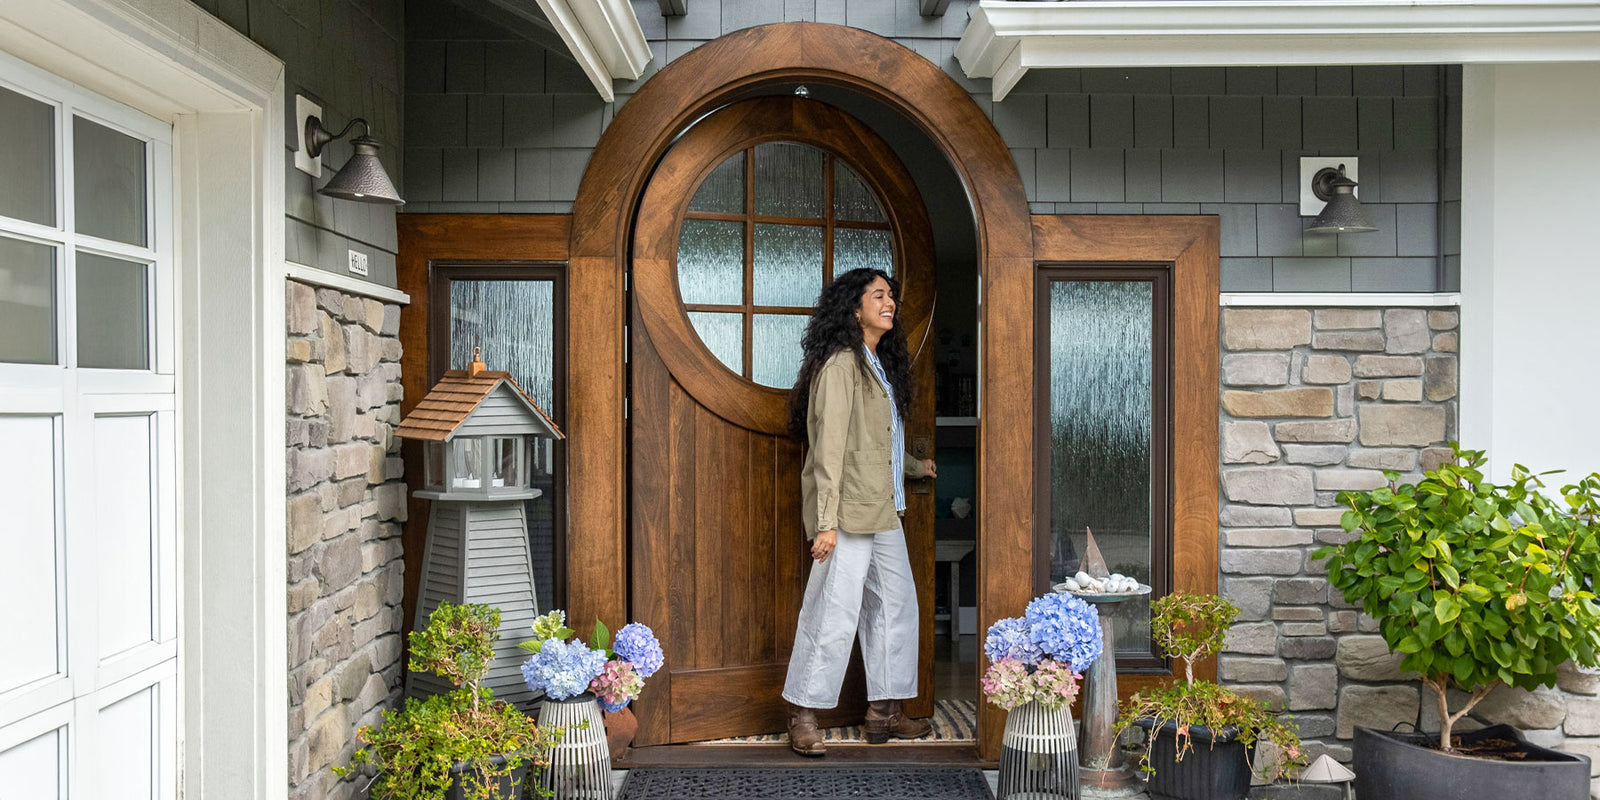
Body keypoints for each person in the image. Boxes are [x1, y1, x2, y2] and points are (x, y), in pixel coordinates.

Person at [781, 267, 937, 757]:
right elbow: (829, 449)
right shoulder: (841, 365)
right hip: (846, 512)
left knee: (896, 606)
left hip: (884, 508)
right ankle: (803, 714)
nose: (889, 302)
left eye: (891, 295)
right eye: (878, 295)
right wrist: (824, 523)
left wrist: (914, 466)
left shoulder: (875, 363)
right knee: (832, 610)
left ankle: (883, 713)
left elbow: (876, 440)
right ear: (854, 308)